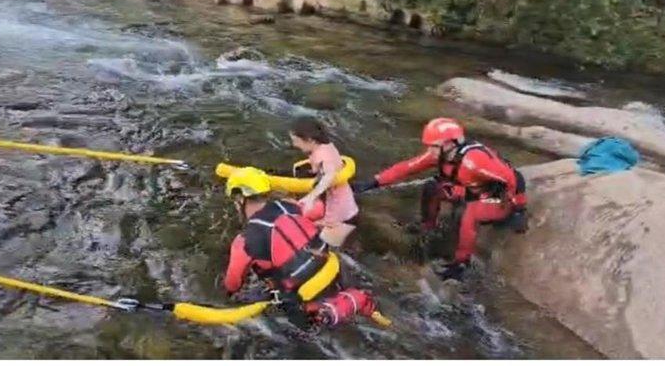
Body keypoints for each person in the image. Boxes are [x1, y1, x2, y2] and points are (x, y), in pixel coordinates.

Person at [350, 117, 528, 281]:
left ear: (450, 144)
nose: (430, 151)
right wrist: (374, 182)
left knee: (470, 214)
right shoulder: (443, 154)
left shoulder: (474, 161)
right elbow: (406, 168)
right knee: (432, 187)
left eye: (433, 146)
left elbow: (515, 178)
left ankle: (461, 263)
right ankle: (428, 227)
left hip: (496, 198)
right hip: (471, 190)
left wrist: (518, 209)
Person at [222, 167, 386, 330]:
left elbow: (232, 285)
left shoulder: (244, 241)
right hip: (338, 274)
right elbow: (321, 209)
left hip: (305, 300)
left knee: (241, 298)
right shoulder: (289, 206)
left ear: (240, 199)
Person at [289, 117, 359, 247]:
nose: (294, 145)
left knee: (324, 247)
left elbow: (329, 176)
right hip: (339, 205)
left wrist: (311, 197)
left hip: (340, 211)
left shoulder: (324, 155)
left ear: (309, 140)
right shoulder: (323, 147)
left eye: (296, 141)